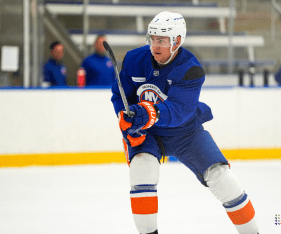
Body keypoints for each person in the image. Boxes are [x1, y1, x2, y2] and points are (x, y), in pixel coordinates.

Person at [111, 11, 259, 234]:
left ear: (177, 41)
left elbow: (179, 110)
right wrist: (127, 123)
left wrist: (146, 113)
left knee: (221, 178)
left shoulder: (191, 69)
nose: (155, 45)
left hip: (185, 132)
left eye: (161, 40)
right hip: (148, 132)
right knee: (142, 170)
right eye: (152, 39)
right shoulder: (134, 59)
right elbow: (120, 96)